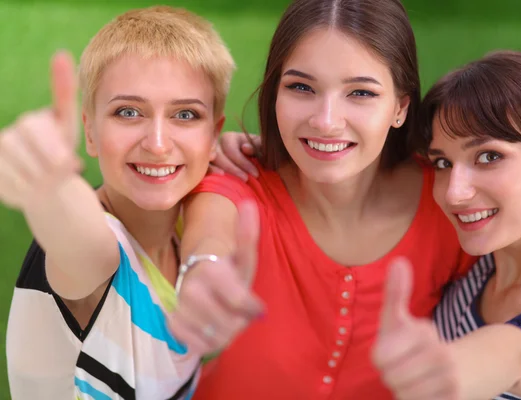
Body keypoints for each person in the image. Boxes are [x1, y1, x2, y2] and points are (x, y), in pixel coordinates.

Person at [169, 0, 474, 399]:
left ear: (400, 107)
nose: (326, 120)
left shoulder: (449, 201)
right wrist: (204, 272)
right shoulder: (241, 180)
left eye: (360, 92)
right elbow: (211, 234)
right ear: (275, 92)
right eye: (301, 87)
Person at [2, 6, 255, 399]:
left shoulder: (187, 228)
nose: (156, 143)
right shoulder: (99, 253)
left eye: (185, 114)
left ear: (213, 135)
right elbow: (80, 238)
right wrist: (48, 190)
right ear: (90, 130)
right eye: (128, 112)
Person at [372, 50, 521, 399]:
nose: (454, 194)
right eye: (443, 163)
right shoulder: (483, 257)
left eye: (489, 156)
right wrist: (273, 159)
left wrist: (500, 353)